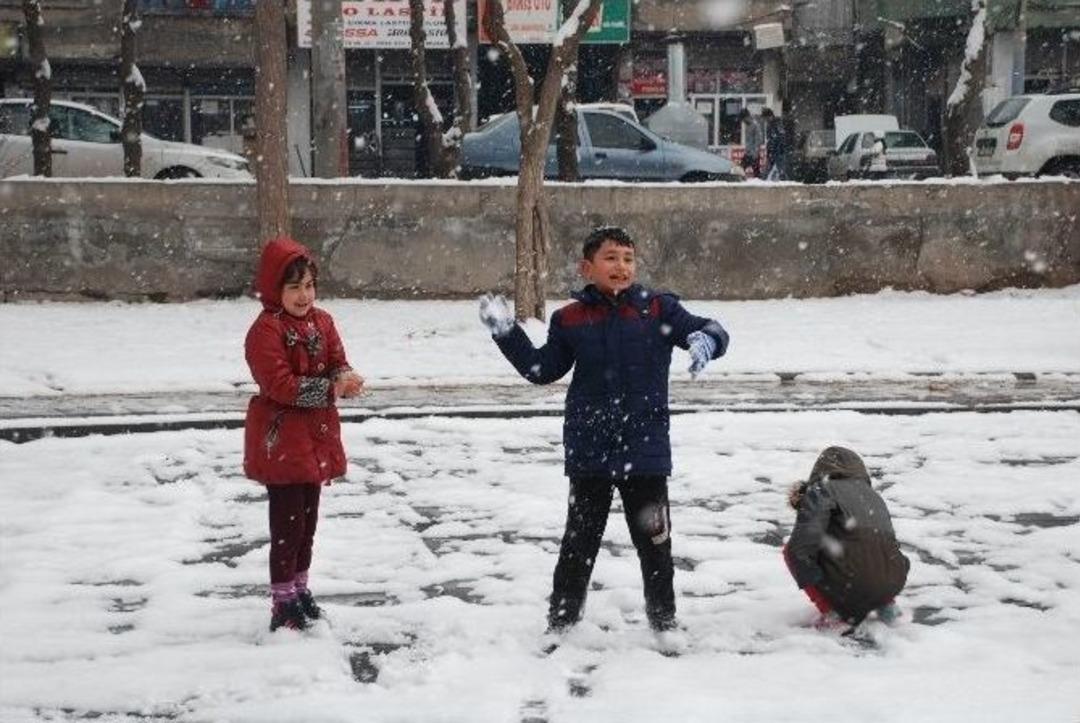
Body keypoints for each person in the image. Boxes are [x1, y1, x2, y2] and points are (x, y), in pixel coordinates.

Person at [478, 226, 730, 634]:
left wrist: (710, 340)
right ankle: (562, 622)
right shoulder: (571, 319)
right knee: (579, 543)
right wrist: (507, 333)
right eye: (611, 258)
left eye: (628, 258)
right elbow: (541, 370)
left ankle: (664, 623)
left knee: (655, 543)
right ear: (587, 267)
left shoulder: (658, 310)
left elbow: (710, 328)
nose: (622, 266)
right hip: (590, 451)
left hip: (645, 450)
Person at [243, 237, 365, 632]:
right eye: (294, 287)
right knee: (287, 525)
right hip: (282, 440)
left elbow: (335, 359)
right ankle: (282, 602)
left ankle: (300, 588)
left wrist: (343, 375)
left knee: (308, 523)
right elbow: (280, 384)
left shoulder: (323, 322)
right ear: (275, 289)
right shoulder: (266, 330)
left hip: (315, 437)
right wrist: (330, 389)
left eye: (309, 285)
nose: (303, 295)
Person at [783, 446, 910, 631]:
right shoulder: (872, 496)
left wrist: (812, 574)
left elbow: (800, 548)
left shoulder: (821, 490)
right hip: (893, 580)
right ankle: (886, 605)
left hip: (853, 581)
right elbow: (887, 543)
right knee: (869, 547)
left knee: (792, 551)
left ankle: (834, 614)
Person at [761, 107, 788, 181]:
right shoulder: (770, 125)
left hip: (778, 151)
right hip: (772, 151)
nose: (765, 121)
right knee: (768, 170)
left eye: (765, 118)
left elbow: (781, 137)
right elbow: (770, 138)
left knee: (781, 170)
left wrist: (778, 149)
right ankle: (762, 182)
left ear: (769, 116)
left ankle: (785, 185)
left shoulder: (777, 123)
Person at [738, 108, 764, 178]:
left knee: (755, 172)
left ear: (746, 117)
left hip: (753, 154)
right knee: (741, 169)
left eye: (743, 119)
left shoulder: (755, 125)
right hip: (748, 152)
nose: (743, 121)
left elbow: (758, 140)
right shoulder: (748, 125)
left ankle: (758, 183)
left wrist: (755, 152)